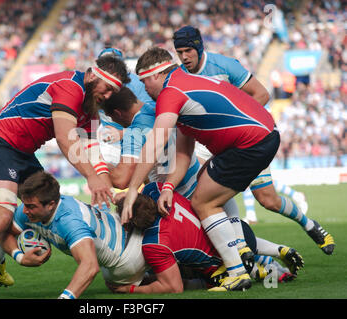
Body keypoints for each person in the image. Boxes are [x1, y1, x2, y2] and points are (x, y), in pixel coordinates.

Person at [0, 55, 131, 299]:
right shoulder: (70, 86)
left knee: (49, 206)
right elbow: (66, 138)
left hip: (22, 153)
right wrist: (91, 177)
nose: (108, 96)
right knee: (0, 213)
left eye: (113, 93)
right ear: (91, 75)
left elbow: (94, 158)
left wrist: (114, 193)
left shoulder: (89, 112)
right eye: (107, 88)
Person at [121, 46, 281, 291]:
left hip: (249, 143)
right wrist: (168, 187)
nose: (145, 89)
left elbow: (155, 142)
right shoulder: (188, 83)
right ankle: (248, 255)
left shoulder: (170, 91)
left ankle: (237, 272)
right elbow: (184, 154)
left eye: (144, 82)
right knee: (205, 184)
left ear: (156, 74)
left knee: (203, 202)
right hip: (263, 136)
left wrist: (133, 189)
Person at [172, 25, 334, 255]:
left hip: (246, 141)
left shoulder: (224, 66)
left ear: (198, 47)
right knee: (206, 192)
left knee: (268, 200)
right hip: (212, 146)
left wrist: (236, 126)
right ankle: (240, 249)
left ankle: (309, 224)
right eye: (179, 52)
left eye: (188, 50)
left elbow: (262, 94)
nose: (184, 57)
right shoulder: (180, 77)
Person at [109, 182, 303, 294]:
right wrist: (127, 197)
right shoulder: (157, 189)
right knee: (232, 243)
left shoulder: (154, 244)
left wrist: (131, 290)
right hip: (235, 228)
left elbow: (174, 287)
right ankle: (273, 253)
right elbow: (140, 195)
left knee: (190, 274)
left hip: (222, 263)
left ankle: (264, 271)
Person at [0, 171, 148, 299]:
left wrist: (65, 297)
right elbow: (4, 232)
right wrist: (20, 257)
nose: (24, 211)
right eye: (24, 204)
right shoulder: (31, 209)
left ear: (50, 204)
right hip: (119, 227)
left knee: (113, 283)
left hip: (127, 258)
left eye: (31, 207)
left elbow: (90, 266)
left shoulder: (69, 222)